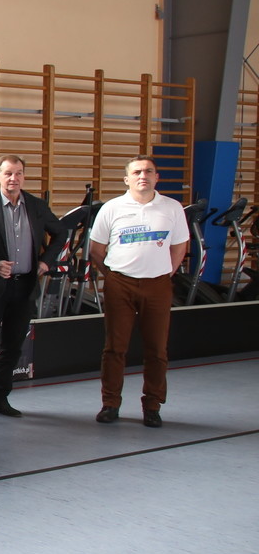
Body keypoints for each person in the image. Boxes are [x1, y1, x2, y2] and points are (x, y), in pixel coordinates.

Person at [89, 156, 189, 427]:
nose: (142, 176)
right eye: (137, 172)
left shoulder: (172, 208)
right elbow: (96, 250)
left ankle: (153, 406)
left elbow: (180, 246)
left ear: (157, 177)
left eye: (148, 171)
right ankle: (110, 403)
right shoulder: (112, 208)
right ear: (127, 179)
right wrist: (112, 275)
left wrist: (166, 272)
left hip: (158, 285)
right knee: (115, 348)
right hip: (119, 284)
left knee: (157, 349)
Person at [0, 154, 65, 418]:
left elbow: (61, 232)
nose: (13, 178)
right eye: (8, 173)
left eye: (18, 173)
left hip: (24, 286)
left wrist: (46, 261)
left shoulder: (36, 206)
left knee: (13, 345)